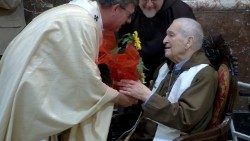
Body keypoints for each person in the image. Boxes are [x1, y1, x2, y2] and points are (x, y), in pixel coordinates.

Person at [0, 0, 138, 140]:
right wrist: (118, 98)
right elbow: (85, 83)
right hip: (29, 91)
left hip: (23, 81)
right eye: (129, 15)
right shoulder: (82, 23)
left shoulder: (77, 14)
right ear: (115, 9)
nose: (128, 21)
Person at [117, 18, 218, 140]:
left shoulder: (204, 74)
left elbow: (185, 118)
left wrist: (147, 96)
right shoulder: (165, 67)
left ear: (188, 42)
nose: (164, 40)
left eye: (171, 35)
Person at [118, 0, 196, 84]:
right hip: (134, 75)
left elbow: (190, 53)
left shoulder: (180, 11)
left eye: (154, 0)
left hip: (169, 78)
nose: (149, 5)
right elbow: (120, 44)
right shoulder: (130, 9)